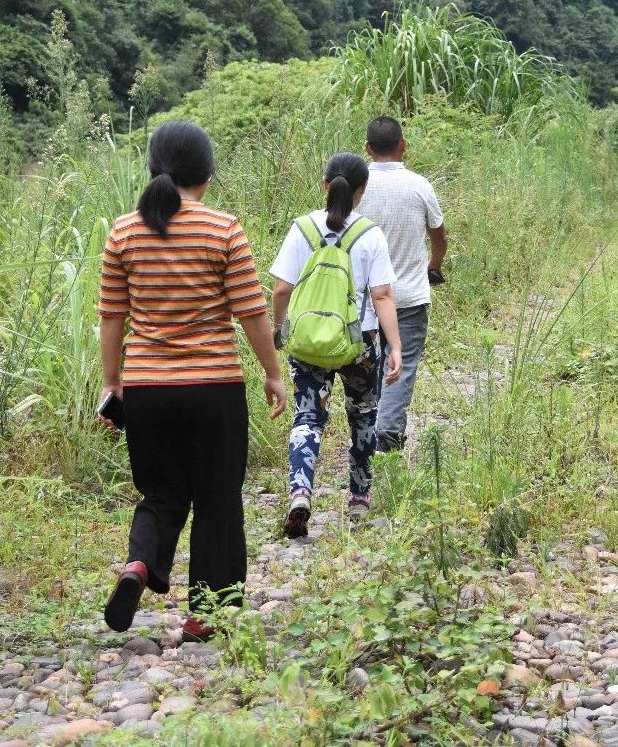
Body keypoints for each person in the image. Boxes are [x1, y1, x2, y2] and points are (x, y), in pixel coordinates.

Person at [98, 120, 287, 641]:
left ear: (153, 167)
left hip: (148, 389)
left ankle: (140, 563)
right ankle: (208, 613)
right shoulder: (223, 229)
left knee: (160, 492)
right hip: (214, 388)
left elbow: (111, 316)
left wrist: (112, 383)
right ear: (207, 172)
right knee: (217, 498)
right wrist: (272, 372)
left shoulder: (124, 232)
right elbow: (251, 311)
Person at [270, 153, 403, 536]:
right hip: (360, 342)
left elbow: (281, 289)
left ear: (325, 185)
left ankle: (300, 490)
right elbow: (381, 296)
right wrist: (395, 347)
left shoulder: (301, 229)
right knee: (363, 415)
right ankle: (359, 497)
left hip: (308, 342)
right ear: (362, 191)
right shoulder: (370, 234)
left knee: (307, 417)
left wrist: (279, 329)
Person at [356, 116, 448, 452]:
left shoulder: (357, 186)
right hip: (407, 296)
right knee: (401, 364)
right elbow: (439, 238)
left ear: (367, 148)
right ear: (403, 145)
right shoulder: (420, 186)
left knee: (368, 366)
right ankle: (388, 435)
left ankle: (366, 432)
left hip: (363, 299)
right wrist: (434, 266)